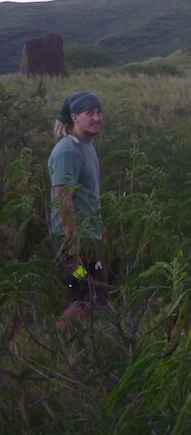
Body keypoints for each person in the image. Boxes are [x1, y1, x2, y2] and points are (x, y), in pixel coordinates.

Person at [48, 91, 108, 331]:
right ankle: (53, 343)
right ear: (75, 118)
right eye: (89, 113)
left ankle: (83, 349)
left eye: (99, 112)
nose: (96, 118)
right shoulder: (68, 150)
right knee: (85, 295)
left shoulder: (87, 146)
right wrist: (74, 245)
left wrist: (100, 229)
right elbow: (64, 201)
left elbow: (89, 197)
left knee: (98, 295)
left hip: (89, 238)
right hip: (74, 240)